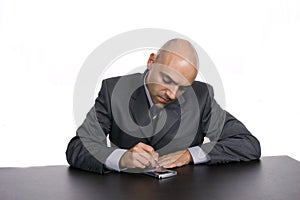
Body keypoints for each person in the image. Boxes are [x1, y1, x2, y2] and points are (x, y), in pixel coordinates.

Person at [66, 38, 261, 174]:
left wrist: (190, 155)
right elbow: (78, 148)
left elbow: (247, 143)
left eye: (183, 88)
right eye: (167, 79)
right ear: (152, 62)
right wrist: (121, 158)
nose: (172, 94)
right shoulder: (113, 91)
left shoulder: (201, 97)